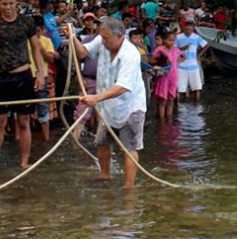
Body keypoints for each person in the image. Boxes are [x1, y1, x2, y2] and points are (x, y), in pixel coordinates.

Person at [69, 16, 146, 187]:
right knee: (102, 142)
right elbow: (82, 53)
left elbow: (123, 86)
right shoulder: (101, 41)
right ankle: (105, 177)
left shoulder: (130, 54)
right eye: (101, 37)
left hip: (131, 107)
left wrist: (95, 98)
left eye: (106, 38)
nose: (102, 41)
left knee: (129, 147)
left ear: (120, 36)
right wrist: (73, 37)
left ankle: (129, 186)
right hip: (107, 106)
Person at [0, 0, 42, 172]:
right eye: (4, 4)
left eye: (11, 3)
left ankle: (24, 162)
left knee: (23, 121)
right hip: (2, 77)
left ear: (17, 4)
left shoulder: (26, 22)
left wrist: (39, 73)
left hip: (23, 75)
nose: (8, 7)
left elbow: (36, 48)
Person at [151, 29, 183, 121]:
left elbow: (183, 56)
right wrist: (162, 61)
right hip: (163, 76)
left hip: (173, 76)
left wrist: (177, 63)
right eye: (170, 40)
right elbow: (151, 60)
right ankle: (161, 120)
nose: (171, 42)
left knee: (171, 99)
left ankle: (169, 119)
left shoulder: (176, 50)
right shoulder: (160, 49)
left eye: (173, 40)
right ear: (165, 40)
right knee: (162, 100)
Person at [175, 20, 208, 102]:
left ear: (193, 28)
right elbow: (173, 49)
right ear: (183, 27)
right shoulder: (178, 37)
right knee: (179, 88)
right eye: (187, 25)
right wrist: (182, 49)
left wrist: (199, 56)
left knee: (197, 88)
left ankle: (196, 105)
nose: (188, 27)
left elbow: (206, 45)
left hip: (193, 65)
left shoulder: (196, 37)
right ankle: (179, 107)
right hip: (181, 66)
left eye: (190, 26)